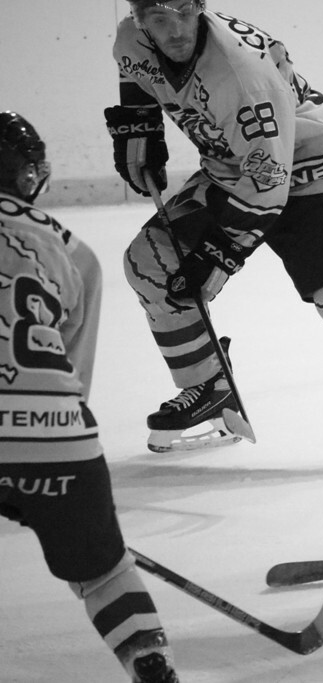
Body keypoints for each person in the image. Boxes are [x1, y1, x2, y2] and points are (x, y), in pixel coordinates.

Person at [104, 0, 323, 467]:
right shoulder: (129, 39)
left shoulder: (242, 72)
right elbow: (136, 73)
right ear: (139, 20)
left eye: (183, 14)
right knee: (150, 261)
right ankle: (208, 387)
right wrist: (139, 130)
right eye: (159, 19)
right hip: (231, 173)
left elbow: (269, 184)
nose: (174, 31)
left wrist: (217, 256)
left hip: (312, 172)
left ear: (200, 7)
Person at [1, 111, 179, 682]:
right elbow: (73, 374)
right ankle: (147, 659)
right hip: (59, 437)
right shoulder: (72, 249)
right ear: (30, 175)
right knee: (103, 571)